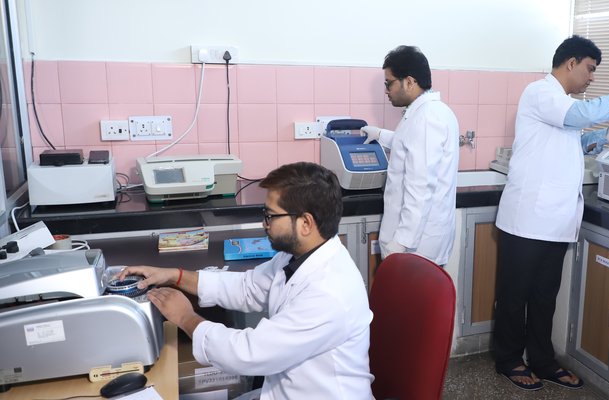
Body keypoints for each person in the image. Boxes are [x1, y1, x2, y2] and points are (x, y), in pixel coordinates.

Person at [117, 162, 374, 399]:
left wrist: (185, 318)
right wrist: (175, 275)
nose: (264, 224)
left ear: (305, 223)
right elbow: (247, 288)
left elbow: (248, 354)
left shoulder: (329, 292)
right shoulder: (296, 256)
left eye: (271, 216)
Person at [492, 35, 609, 391]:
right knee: (514, 295)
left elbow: (566, 139)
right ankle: (507, 359)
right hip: (527, 219)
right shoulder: (540, 92)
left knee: (544, 297)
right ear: (570, 63)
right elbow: (578, 116)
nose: (592, 77)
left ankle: (543, 360)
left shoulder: (558, 104)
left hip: (554, 221)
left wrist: (601, 139)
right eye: (590, 69)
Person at [360, 45, 460, 266]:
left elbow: (421, 186)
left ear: (410, 82)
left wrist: (401, 243)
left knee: (411, 301)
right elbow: (410, 146)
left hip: (415, 247)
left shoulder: (425, 118)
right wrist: (380, 134)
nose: (386, 90)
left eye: (389, 83)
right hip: (422, 242)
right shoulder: (431, 112)